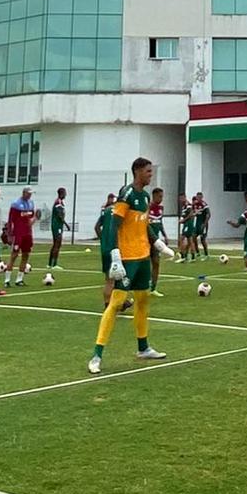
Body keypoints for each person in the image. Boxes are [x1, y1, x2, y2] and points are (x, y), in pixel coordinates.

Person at [88, 158, 164, 374]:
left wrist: (156, 242)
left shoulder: (146, 196)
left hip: (143, 257)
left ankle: (143, 348)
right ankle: (97, 354)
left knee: (142, 300)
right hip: (128, 258)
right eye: (148, 171)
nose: (151, 174)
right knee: (116, 302)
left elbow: (143, 223)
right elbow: (113, 226)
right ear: (138, 171)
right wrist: (115, 256)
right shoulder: (127, 194)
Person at [6, 187, 37, 285]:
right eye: (28, 193)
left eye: (31, 193)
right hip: (18, 233)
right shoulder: (16, 204)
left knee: (26, 255)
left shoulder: (31, 203)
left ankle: (19, 279)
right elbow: (10, 220)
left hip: (28, 234)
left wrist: (35, 218)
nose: (30, 195)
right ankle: (7, 279)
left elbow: (30, 220)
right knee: (14, 255)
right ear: (24, 193)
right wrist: (10, 234)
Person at [148, 187, 168, 295]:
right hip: (146, 240)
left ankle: (153, 288)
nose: (161, 198)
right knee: (144, 264)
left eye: (162, 196)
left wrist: (165, 235)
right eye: (160, 196)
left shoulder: (161, 208)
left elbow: (160, 223)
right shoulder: (147, 207)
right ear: (154, 196)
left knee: (156, 263)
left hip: (156, 240)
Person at [47, 187, 68, 270]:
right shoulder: (58, 202)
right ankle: (54, 264)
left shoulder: (60, 202)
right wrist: (66, 224)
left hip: (57, 225)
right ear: (61, 193)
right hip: (57, 226)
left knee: (56, 243)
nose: (66, 195)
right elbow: (59, 215)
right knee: (57, 244)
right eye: (65, 193)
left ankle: (50, 264)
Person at [193, 192, 211, 260]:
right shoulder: (195, 205)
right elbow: (193, 212)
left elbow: (208, 214)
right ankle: (197, 252)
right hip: (197, 224)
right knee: (193, 237)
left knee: (202, 239)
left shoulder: (204, 205)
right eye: (198, 197)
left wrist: (204, 224)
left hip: (203, 224)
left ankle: (206, 254)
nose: (199, 199)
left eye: (200, 197)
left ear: (202, 197)